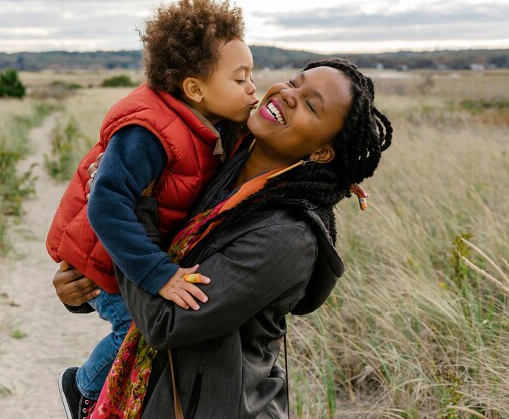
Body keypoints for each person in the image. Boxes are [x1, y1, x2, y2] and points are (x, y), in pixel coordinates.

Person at [54, 58, 392, 418]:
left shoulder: (287, 237)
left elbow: (166, 321)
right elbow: (160, 250)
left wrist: (134, 208)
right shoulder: (219, 157)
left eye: (310, 104)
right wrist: (84, 286)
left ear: (322, 152)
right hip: (162, 397)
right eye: (294, 81)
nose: (289, 94)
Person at [47, 0, 258, 418]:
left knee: (145, 332)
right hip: (104, 257)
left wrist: (327, 170)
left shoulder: (207, 125)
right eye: (240, 79)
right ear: (195, 88)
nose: (253, 88)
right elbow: (106, 206)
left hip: (126, 254)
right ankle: (83, 387)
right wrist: (159, 274)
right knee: (135, 330)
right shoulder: (148, 132)